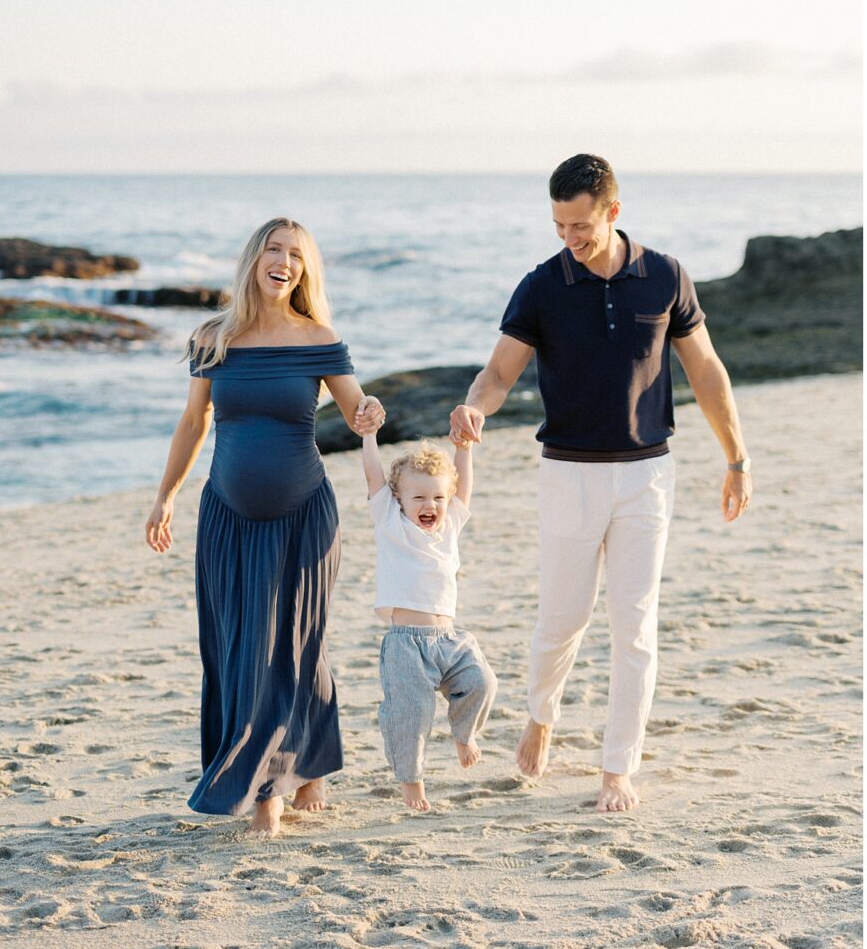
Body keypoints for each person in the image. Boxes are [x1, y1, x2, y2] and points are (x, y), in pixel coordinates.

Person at [449, 153, 752, 814]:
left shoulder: (664, 276)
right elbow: (498, 374)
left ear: (613, 211)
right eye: (559, 225)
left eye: (580, 225)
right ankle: (542, 713)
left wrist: (737, 458)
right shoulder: (541, 286)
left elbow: (706, 372)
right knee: (562, 620)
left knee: (634, 626)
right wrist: (476, 405)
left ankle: (618, 767)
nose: (569, 238)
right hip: (568, 474)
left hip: (648, 474)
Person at [145, 218, 384, 837]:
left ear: (306, 271)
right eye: (274, 250)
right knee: (241, 651)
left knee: (297, 644)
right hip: (226, 514)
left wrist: (370, 413)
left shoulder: (318, 338)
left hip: (304, 514)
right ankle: (302, 769)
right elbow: (194, 423)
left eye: (297, 255)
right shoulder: (212, 338)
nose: (285, 262)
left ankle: (273, 792)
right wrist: (165, 497)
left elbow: (356, 407)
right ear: (254, 259)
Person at [360, 435, 497, 811]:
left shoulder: (450, 525)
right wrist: (369, 436)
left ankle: (464, 734)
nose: (429, 505)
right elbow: (373, 476)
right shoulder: (390, 523)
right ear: (399, 500)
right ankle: (412, 784)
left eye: (437, 497)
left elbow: (463, 487)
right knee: (411, 716)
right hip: (406, 643)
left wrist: (464, 450)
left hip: (450, 639)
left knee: (481, 682)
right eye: (418, 497)